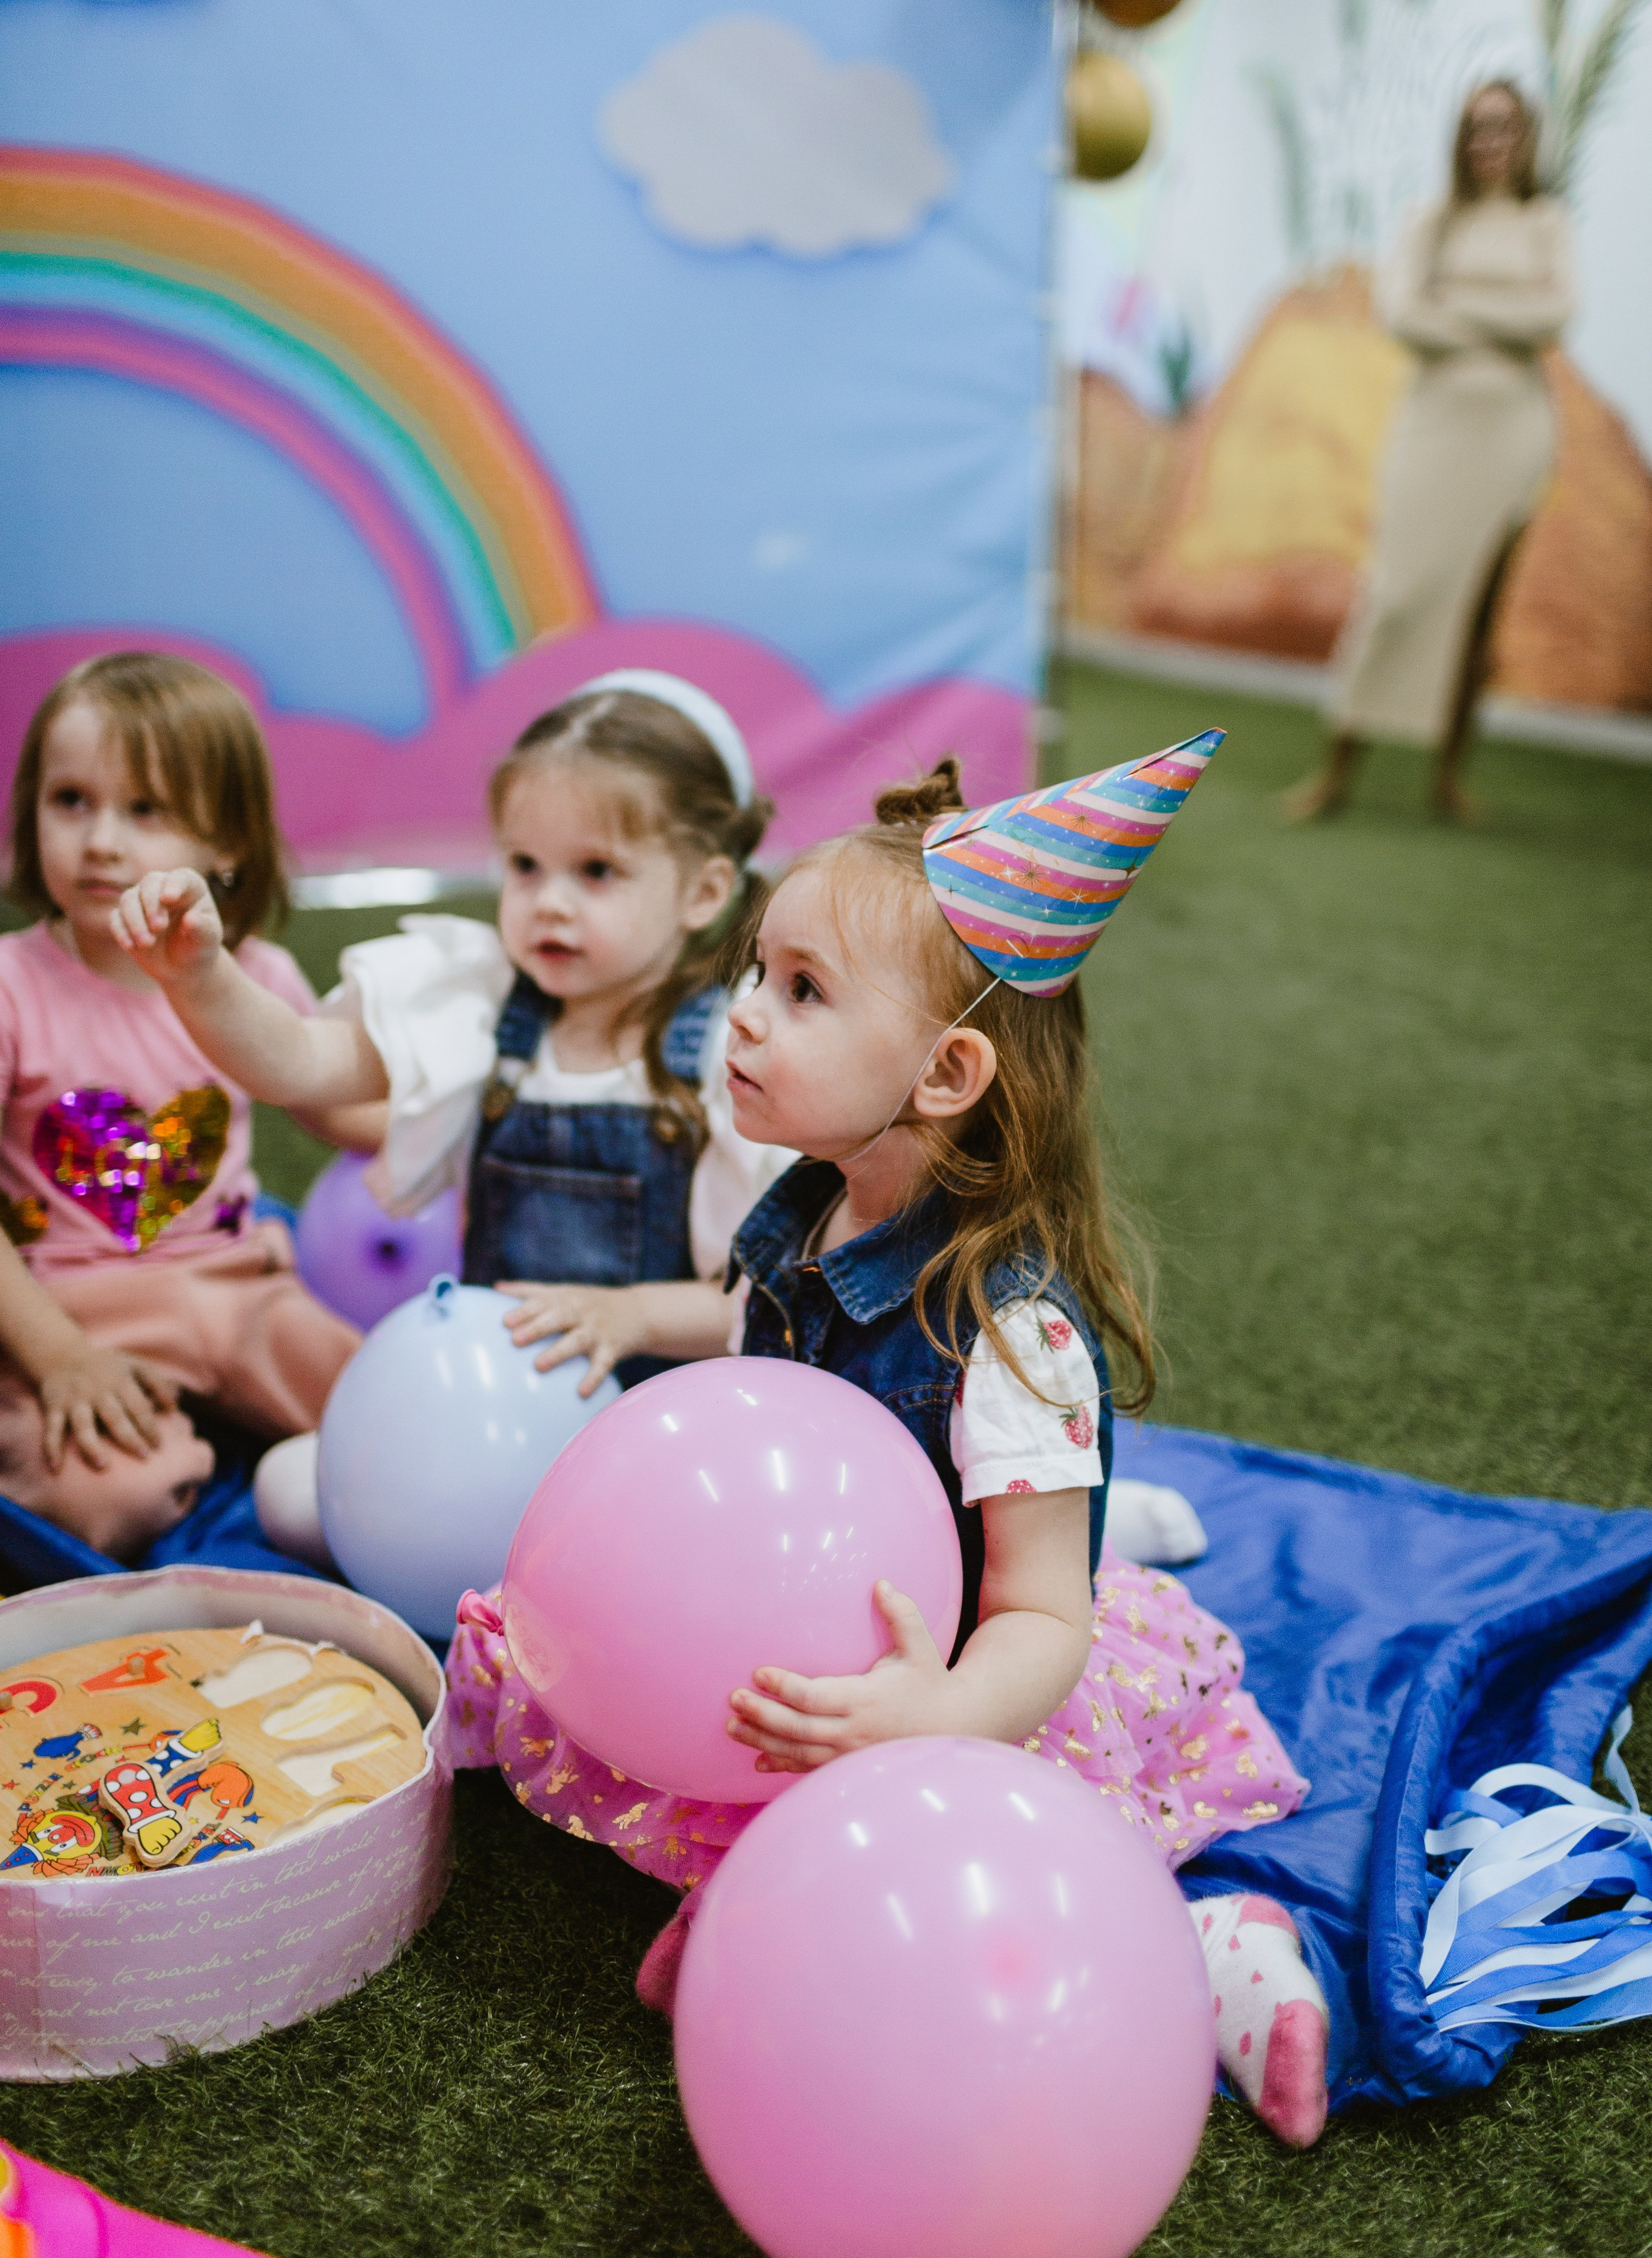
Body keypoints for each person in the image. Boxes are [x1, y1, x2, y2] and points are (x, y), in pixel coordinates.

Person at [445, 732, 1327, 2150]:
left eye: (798, 992)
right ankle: (768, 1907)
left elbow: (1040, 1611)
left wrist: (942, 1715)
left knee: (968, 1847)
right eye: (751, 973)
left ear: (944, 1072)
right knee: (586, 1695)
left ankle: (1216, 1958)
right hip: (817, 1643)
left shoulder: (1015, 1336)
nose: (737, 1015)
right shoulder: (805, 1208)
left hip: (965, 1677)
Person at [110, 673, 793, 1560]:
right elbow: (298, 1063)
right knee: (288, 1490)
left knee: (681, 1547)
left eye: (597, 871)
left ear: (703, 892)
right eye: (525, 866)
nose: (549, 900)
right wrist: (200, 977)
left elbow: (759, 1308)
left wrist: (628, 1317)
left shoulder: (721, 1054)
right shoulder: (478, 1010)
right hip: (492, 1425)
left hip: (658, 1440)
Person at [0, 654, 370, 1561]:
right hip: (65, 1305)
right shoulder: (13, 986)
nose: (101, 843)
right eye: (72, 801)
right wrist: (59, 1360)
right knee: (120, 1494)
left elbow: (336, 1110)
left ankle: (259, 1465)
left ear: (227, 847)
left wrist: (472, 1128)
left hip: (236, 1287)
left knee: (380, 1408)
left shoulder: (254, 976)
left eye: (147, 810)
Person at [1288, 80, 1573, 821]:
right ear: (1460, 136)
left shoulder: (1545, 222)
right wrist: (1503, 317)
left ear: (1526, 135)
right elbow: (1404, 316)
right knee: (1393, 596)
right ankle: (1335, 772)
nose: (1491, 141)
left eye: (1505, 126)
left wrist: (1459, 306)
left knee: (1478, 616)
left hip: (1515, 431)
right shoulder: (1428, 222)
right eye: (1478, 127)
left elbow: (1555, 317)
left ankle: (1447, 780)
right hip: (1433, 426)